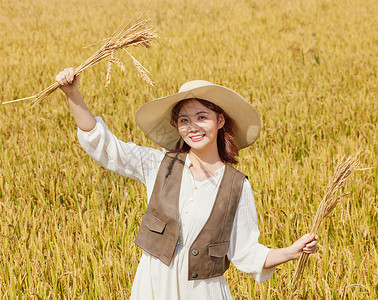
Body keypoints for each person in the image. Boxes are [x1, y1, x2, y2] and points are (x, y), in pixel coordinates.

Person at [55, 67, 318, 300]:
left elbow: (246, 252)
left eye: (201, 117)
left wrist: (291, 252)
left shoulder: (237, 186)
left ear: (220, 121)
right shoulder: (159, 165)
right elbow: (106, 147)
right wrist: (72, 94)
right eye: (184, 120)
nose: (193, 127)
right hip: (152, 287)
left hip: (203, 292)